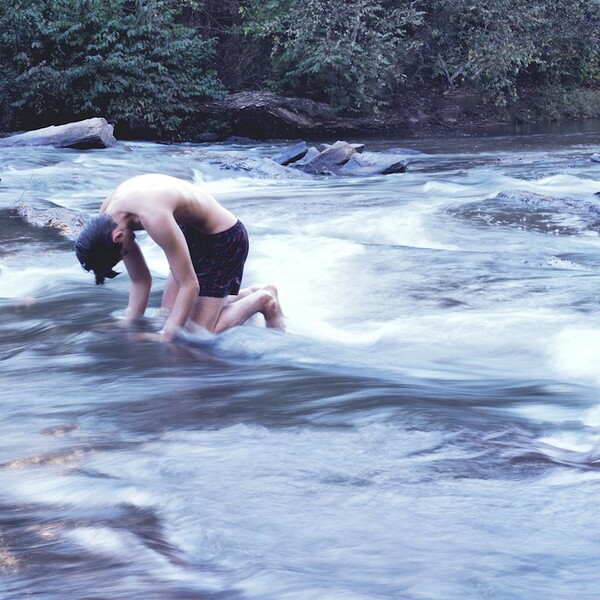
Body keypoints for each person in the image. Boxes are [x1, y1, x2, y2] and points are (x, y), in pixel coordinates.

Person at [74, 173, 285, 341]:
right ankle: (248, 293)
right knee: (168, 316)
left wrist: (167, 336)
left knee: (196, 335)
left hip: (225, 238)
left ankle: (263, 299)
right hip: (191, 232)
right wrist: (131, 323)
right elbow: (140, 280)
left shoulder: (153, 217)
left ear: (117, 237)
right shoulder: (107, 219)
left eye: (125, 252)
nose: (130, 253)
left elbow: (189, 284)